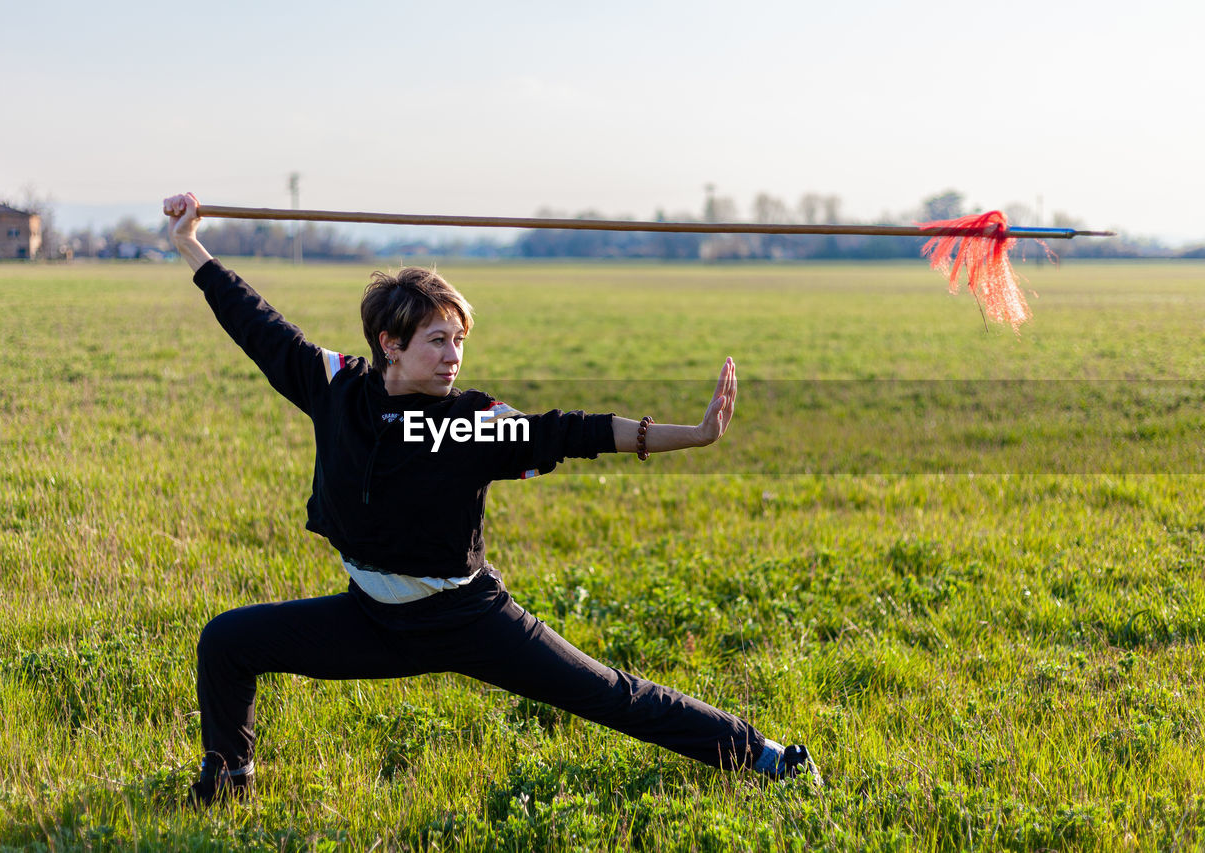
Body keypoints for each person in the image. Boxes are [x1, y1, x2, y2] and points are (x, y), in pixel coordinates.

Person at [162, 192, 819, 806]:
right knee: (227, 641)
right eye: (438, 340)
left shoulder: (471, 421)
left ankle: (767, 756)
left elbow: (575, 430)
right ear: (390, 344)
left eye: (461, 341)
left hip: (469, 619)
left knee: (613, 695)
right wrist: (191, 243)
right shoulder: (334, 387)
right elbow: (255, 322)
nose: (455, 356)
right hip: (372, 622)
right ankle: (228, 779)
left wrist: (693, 434)